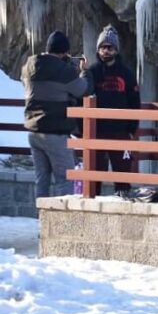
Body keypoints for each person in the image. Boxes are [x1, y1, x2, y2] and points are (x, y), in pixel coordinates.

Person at [21, 30, 91, 198]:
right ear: (64, 52)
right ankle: (63, 221)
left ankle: (42, 219)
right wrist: (84, 72)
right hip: (55, 133)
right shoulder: (63, 71)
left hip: (34, 131)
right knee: (64, 179)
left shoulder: (28, 66)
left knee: (41, 179)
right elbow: (83, 89)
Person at [88, 25, 140, 193]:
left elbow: (135, 102)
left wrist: (132, 128)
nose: (106, 51)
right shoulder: (92, 72)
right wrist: (83, 130)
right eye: (103, 47)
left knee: (123, 174)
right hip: (97, 132)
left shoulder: (127, 74)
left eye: (109, 47)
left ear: (116, 50)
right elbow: (80, 98)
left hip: (120, 132)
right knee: (94, 175)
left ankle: (123, 204)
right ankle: (93, 207)